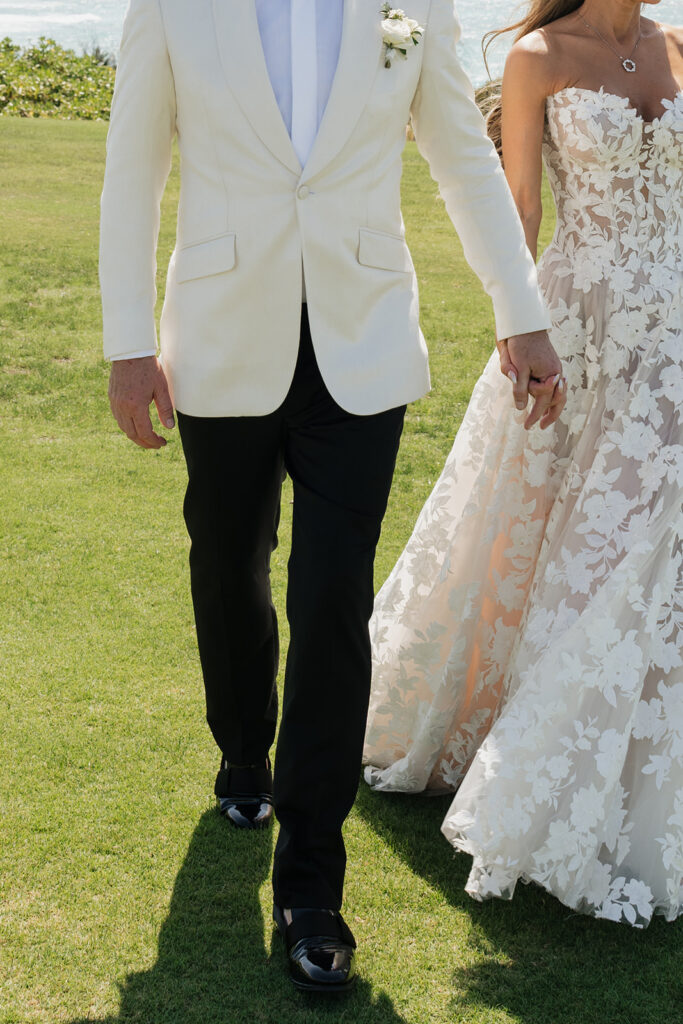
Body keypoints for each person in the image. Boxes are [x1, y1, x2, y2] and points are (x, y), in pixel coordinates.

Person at [100, 0, 565, 993]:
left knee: (330, 597)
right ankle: (241, 750)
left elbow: (460, 159)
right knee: (228, 566)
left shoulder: (407, 10)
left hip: (361, 348)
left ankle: (310, 884)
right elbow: (131, 169)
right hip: (220, 339)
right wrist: (128, 342)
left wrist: (517, 313)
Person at [364, 0, 683, 927]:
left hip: (675, 325)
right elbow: (520, 209)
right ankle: (534, 763)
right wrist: (520, 321)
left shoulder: (676, 43)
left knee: (647, 541)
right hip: (583, 328)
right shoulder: (537, 56)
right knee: (563, 538)